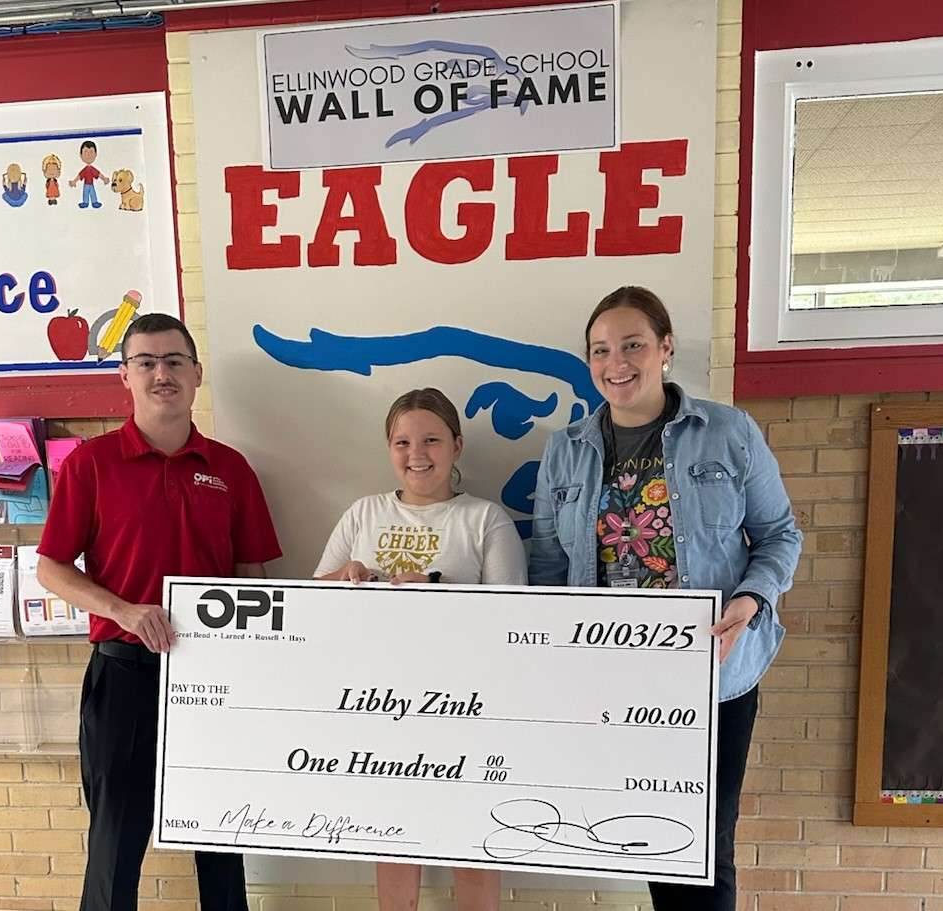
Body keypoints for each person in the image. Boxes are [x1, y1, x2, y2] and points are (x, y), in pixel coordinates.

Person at [528, 287, 802, 911]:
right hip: (608, 678)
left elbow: (781, 534)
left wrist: (752, 600)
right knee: (649, 837)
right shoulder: (564, 449)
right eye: (601, 350)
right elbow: (547, 566)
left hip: (714, 673)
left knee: (705, 846)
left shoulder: (728, 432)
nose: (615, 362)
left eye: (632, 345)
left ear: (665, 349)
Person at [37, 313, 282, 911]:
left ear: (197, 374)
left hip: (213, 680)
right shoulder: (91, 464)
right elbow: (51, 568)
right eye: (145, 362)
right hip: (124, 676)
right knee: (115, 841)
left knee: (222, 837)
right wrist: (120, 610)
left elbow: (254, 577)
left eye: (174, 361)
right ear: (124, 376)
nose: (161, 373)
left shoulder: (231, 469)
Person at [314, 387, 526, 911]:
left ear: (456, 445)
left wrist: (442, 595)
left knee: (473, 839)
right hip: (378, 703)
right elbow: (313, 600)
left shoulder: (485, 519)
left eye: (431, 439)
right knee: (394, 836)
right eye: (402, 441)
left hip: (469, 704)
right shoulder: (362, 513)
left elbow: (518, 623)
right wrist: (347, 577)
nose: (416, 453)